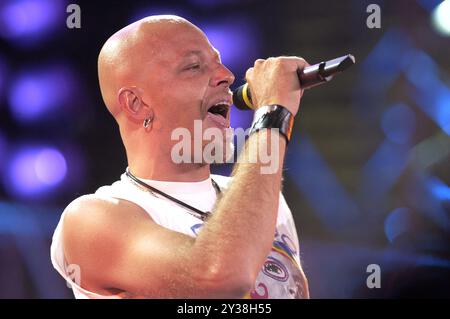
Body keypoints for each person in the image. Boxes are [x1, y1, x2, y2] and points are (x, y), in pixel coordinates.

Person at [50, 15, 310, 299]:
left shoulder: (261, 199)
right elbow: (218, 278)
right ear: (136, 104)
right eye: (194, 66)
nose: (227, 75)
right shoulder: (91, 220)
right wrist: (273, 114)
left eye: (219, 62)